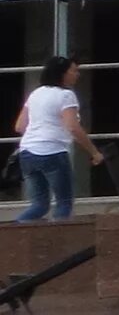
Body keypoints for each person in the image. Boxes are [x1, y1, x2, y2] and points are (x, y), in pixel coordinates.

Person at [13, 56, 100, 222]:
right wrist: (94, 152)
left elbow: (19, 126)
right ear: (62, 74)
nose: (77, 74)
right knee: (64, 202)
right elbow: (73, 127)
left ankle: (11, 235)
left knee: (39, 205)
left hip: (27, 152)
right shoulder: (66, 96)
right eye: (73, 71)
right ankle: (60, 242)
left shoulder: (36, 93)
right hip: (53, 152)